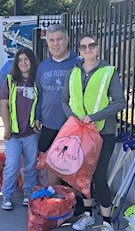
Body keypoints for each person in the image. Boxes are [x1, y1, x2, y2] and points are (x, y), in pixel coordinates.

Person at [61, 34, 126, 231]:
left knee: (98, 176)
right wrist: (73, 118)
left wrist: (94, 117)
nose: (88, 49)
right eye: (83, 46)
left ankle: (106, 221)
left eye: (92, 45)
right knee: (82, 175)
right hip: (79, 133)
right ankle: (88, 214)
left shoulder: (108, 72)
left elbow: (120, 102)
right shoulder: (73, 72)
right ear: (79, 50)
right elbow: (64, 100)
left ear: (98, 48)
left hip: (103, 132)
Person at [34, 24, 81, 185]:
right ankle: (55, 199)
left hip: (73, 125)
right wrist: (37, 116)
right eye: (52, 40)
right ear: (47, 42)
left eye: (59, 39)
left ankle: (74, 200)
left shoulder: (79, 63)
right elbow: (39, 95)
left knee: (71, 164)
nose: (56, 44)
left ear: (67, 40)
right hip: (49, 123)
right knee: (52, 162)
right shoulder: (43, 67)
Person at [0, 47, 39, 210]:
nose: (23, 63)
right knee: (12, 165)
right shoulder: (10, 80)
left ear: (32, 61)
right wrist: (7, 127)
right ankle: (6, 196)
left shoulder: (37, 80)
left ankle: (28, 194)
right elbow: (3, 105)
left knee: (30, 166)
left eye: (26, 59)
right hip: (14, 133)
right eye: (20, 60)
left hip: (31, 133)